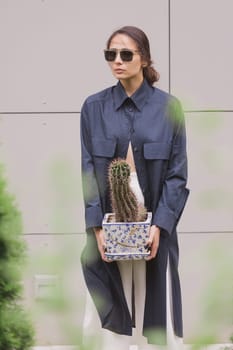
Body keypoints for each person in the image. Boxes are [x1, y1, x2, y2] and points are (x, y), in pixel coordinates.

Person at [80, 26, 189, 350]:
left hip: (155, 228)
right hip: (108, 227)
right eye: (110, 54)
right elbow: (87, 169)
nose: (117, 60)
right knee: (108, 308)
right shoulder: (93, 107)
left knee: (156, 308)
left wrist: (160, 226)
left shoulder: (170, 108)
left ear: (144, 58)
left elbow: (177, 174)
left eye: (126, 54)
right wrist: (97, 227)